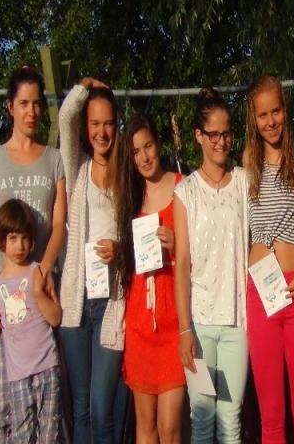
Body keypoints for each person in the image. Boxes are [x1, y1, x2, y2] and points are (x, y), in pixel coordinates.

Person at [0, 64, 67, 443]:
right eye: (24, 103)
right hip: (4, 303)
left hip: (40, 301)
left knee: (47, 413)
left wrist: (43, 270)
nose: (32, 111)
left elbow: (59, 224)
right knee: (4, 414)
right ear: (10, 107)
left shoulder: (55, 159)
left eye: (37, 103)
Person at [243, 75, 294, 444]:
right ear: (253, 119)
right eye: (263, 115)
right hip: (261, 294)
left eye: (276, 111)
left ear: (285, 110)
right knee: (271, 417)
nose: (270, 121)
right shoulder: (248, 161)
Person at [174, 87, 249, 444]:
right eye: (214, 134)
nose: (221, 141)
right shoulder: (185, 193)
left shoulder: (245, 182)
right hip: (200, 327)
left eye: (227, 133)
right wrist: (185, 330)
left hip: (237, 325)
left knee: (230, 422)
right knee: (202, 420)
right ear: (199, 136)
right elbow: (182, 264)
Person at [113, 114, 186, 443]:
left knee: (170, 427)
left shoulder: (184, 186)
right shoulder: (129, 196)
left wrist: (178, 245)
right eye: (135, 151)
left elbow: (203, 254)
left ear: (158, 144)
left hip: (175, 325)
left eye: (148, 146)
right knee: (145, 426)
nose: (143, 157)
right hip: (140, 324)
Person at [58, 77, 123, 444]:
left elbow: (137, 231)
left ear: (117, 125)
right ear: (86, 127)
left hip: (112, 303)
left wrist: (120, 248)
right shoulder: (77, 169)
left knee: (101, 408)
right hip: (76, 301)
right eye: (95, 123)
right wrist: (87, 85)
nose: (102, 132)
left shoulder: (126, 173)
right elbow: (65, 116)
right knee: (81, 408)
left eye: (108, 123)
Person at [0, 199, 62, 443]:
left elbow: (55, 318)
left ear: (32, 241)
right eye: (12, 238)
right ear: (1, 240)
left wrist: (39, 292)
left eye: (24, 238)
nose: (19, 246)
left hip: (47, 369)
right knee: (22, 436)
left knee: (49, 436)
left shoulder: (38, 272)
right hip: (18, 376)